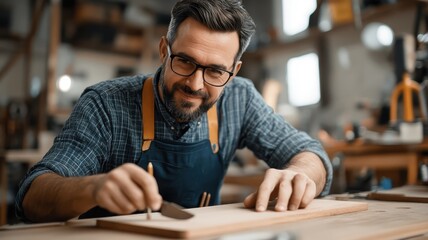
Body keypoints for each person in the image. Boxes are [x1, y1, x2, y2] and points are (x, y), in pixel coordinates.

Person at [16, 0, 332, 223]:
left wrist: (301, 175)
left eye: (215, 72)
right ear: (164, 49)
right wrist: (92, 187)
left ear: (233, 72)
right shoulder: (105, 104)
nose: (195, 84)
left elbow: (310, 153)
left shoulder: (239, 99)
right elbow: (32, 196)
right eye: (185, 61)